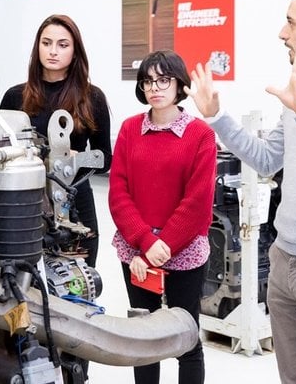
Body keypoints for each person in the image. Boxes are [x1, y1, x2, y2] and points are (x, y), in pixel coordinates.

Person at [186, 0, 296, 384]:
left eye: (290, 22)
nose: (281, 33)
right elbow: (266, 158)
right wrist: (217, 116)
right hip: (285, 259)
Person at [109, 49, 215, 384]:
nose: (155, 87)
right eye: (148, 81)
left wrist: (162, 245)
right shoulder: (129, 129)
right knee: (145, 341)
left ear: (179, 84)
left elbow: (197, 202)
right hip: (137, 254)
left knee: (187, 340)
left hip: (184, 254)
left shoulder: (200, 134)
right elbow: (118, 193)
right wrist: (145, 242)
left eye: (164, 80)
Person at [0, 14, 111, 266]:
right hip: (25, 199)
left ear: (75, 52)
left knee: (79, 284)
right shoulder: (15, 97)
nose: (53, 51)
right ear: (37, 47)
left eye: (63, 45)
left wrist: (76, 158)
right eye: (46, 43)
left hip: (75, 202)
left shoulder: (91, 97)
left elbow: (105, 160)